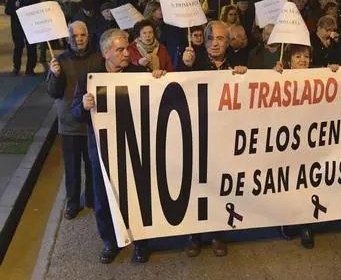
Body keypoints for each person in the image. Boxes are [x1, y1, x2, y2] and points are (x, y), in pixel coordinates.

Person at [72, 28, 166, 264]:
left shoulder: (138, 73)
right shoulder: (89, 78)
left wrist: (157, 79)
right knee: (104, 199)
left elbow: (155, 105)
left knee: (138, 196)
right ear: (106, 53)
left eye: (127, 48)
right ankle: (110, 242)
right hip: (102, 152)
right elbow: (75, 114)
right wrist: (84, 105)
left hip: (133, 148)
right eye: (120, 49)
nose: (127, 53)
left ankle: (142, 243)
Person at [179, 21, 247, 257]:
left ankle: (217, 234)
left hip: (225, 137)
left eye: (220, 39)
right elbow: (176, 91)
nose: (215, 43)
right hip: (197, 134)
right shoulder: (192, 62)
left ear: (228, 42)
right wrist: (185, 67)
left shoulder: (239, 65)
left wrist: (243, 75)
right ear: (204, 41)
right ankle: (194, 235)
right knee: (196, 185)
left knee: (220, 187)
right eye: (210, 39)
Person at [274, 43, 338, 249]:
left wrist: (336, 74)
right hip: (287, 142)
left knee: (308, 182)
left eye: (306, 56)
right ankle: (287, 220)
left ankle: (306, 226)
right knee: (289, 182)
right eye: (298, 56)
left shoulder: (320, 76)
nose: (303, 60)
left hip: (311, 142)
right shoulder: (279, 76)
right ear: (289, 60)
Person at [45, 21, 101, 219]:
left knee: (92, 164)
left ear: (88, 35)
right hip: (69, 123)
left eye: (82, 35)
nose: (79, 39)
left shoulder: (98, 57)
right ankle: (72, 203)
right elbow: (53, 92)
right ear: (69, 38)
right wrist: (54, 75)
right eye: (75, 36)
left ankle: (93, 200)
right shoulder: (59, 60)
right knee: (71, 167)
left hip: (92, 122)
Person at [6, 0, 41, 75]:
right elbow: (7, 10)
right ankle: (16, 67)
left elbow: (38, 8)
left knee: (31, 47)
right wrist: (15, 7)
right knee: (18, 47)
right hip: (17, 27)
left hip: (30, 26)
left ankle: (30, 68)